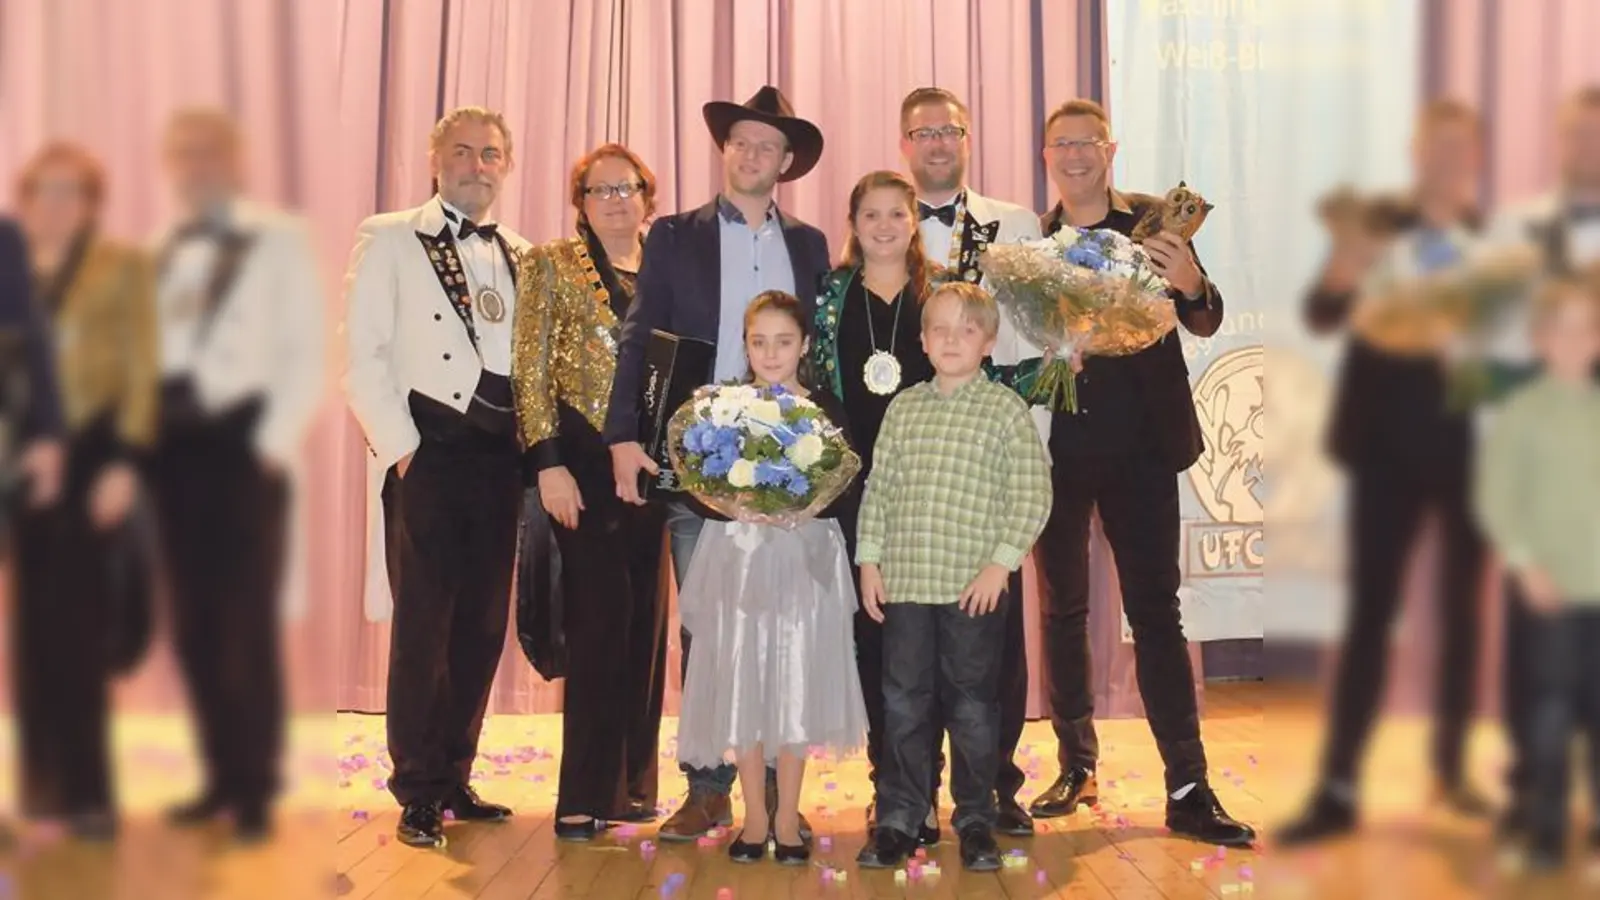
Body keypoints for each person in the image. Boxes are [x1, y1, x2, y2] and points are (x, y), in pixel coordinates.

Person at [604, 85, 831, 842]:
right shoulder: (672, 235)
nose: (750, 154)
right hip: (699, 460)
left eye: (766, 145)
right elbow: (639, 339)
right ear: (724, 151)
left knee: (781, 628)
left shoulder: (810, 244)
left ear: (787, 161)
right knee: (706, 626)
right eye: (739, 141)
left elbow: (820, 358)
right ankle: (708, 786)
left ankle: (774, 796)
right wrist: (622, 435)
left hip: (788, 463)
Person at [1025, 99, 1254, 846]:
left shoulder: (1159, 222)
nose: (1075, 155)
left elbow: (1207, 317)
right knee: (1061, 610)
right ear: (1046, 154)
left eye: (1087, 142)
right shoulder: (1032, 239)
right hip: (1056, 447)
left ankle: (1188, 787)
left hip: (1146, 447)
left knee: (1157, 615)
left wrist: (1189, 282)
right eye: (1062, 144)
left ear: (1111, 147)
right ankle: (1075, 765)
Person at [1280, 100, 1493, 845]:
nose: (1445, 159)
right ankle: (1337, 788)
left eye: (1458, 148)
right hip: (1382, 454)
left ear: (1474, 155)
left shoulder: (1499, 238)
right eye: (1434, 146)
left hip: (1475, 449)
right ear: (1415, 150)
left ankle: (1454, 772)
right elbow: (1320, 312)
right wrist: (1346, 268)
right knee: (1370, 616)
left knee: (1464, 615)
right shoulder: (1376, 225)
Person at [343, 106, 529, 848]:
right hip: (429, 450)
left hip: (499, 459)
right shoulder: (389, 235)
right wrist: (402, 448)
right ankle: (417, 786)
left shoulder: (518, 250)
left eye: (490, 154)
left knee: (482, 625)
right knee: (425, 625)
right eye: (462, 150)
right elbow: (360, 352)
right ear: (435, 157)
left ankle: (455, 772)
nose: (476, 165)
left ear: (506, 166)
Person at [149, 109, 324, 842]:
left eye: (209, 153)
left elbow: (306, 347)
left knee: (244, 625)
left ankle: (253, 785)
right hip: (168, 453)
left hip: (244, 451)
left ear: (236, 159)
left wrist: (271, 444)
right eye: (184, 154)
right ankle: (218, 774)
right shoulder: (162, 245)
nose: (196, 166)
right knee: (190, 627)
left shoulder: (279, 240)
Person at [852, 281, 1051, 872]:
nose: (952, 339)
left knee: (972, 708)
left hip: (973, 590)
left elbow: (1032, 493)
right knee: (904, 704)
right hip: (909, 583)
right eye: (939, 328)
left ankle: (974, 819)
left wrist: (1001, 562)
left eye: (967, 329)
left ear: (989, 342)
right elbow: (880, 489)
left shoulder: (1005, 410)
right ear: (921, 340)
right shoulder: (904, 408)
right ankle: (901, 816)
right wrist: (869, 559)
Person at [675, 290, 869, 865]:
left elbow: (844, 487)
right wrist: (740, 507)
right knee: (743, 681)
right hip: (739, 555)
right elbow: (702, 486)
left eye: (784, 341)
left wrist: (798, 508)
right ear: (746, 345)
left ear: (804, 344)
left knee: (792, 682)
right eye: (759, 342)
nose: (771, 352)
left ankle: (788, 817)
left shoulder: (824, 411)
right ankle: (753, 818)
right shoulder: (723, 409)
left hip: (803, 557)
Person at [899, 85, 1045, 837]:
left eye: (948, 130)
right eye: (921, 132)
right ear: (903, 145)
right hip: (918, 446)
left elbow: (1036, 332)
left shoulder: (1017, 223)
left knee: (993, 639)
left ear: (968, 138)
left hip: (994, 444)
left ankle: (995, 787)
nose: (936, 143)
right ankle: (908, 790)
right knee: (912, 650)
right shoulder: (885, 224)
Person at [512, 143, 668, 841]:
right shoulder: (549, 264)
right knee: (601, 628)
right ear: (580, 203)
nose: (614, 200)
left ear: (647, 196)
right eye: (599, 191)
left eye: (626, 188)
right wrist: (548, 465)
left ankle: (632, 787)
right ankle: (582, 793)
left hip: (656, 472)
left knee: (646, 630)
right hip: (582, 470)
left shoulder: (666, 267)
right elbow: (530, 367)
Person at [7, 143, 157, 840]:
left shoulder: (121, 268)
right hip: (12, 460)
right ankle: (38, 789)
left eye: (73, 192)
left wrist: (127, 463)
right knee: (27, 639)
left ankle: (87, 791)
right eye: (46, 190)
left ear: (91, 203)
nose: (57, 204)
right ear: (26, 197)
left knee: (74, 634)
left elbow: (141, 367)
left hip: (90, 464)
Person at [1479, 87, 1600, 842]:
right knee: (1538, 658)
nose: (1585, 145)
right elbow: (1488, 340)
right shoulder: (1515, 230)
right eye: (1576, 134)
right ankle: (1537, 794)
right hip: (1532, 445)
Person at [811, 170, 944, 844]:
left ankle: (924, 793)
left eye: (898, 213)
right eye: (872, 214)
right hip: (854, 492)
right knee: (874, 643)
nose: (885, 225)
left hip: (930, 493)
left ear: (914, 220)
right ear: (854, 222)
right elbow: (811, 385)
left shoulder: (941, 292)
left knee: (925, 649)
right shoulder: (832, 297)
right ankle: (888, 788)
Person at [1473, 274, 1600, 872]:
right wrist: (1524, 562)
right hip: (1548, 592)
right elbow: (1498, 496)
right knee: (1547, 717)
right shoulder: (1523, 412)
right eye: (1562, 328)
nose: (1575, 340)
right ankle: (1546, 836)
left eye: (1587, 327)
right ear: (1541, 338)